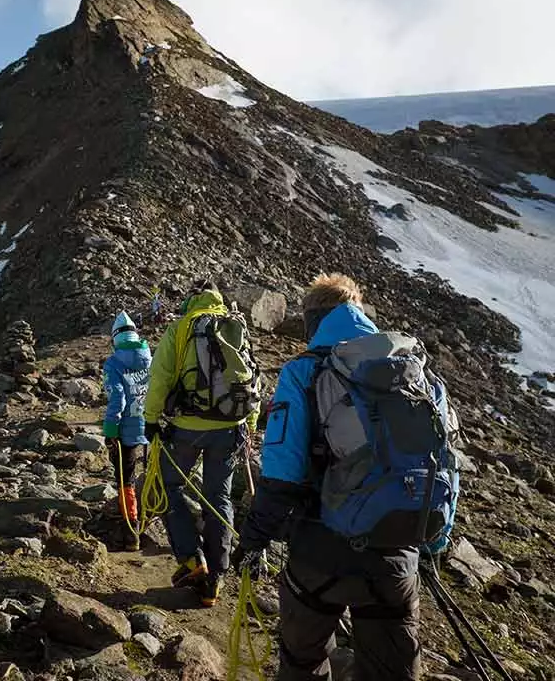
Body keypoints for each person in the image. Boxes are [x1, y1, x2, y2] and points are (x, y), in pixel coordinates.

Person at [233, 273, 459, 681]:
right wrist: (432, 543)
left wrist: (253, 540)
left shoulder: (304, 373)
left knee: (304, 661)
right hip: (396, 549)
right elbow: (444, 461)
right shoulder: (414, 372)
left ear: (313, 320)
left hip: (320, 550)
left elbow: (282, 473)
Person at [143, 281, 260, 606]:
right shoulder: (236, 326)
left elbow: (161, 377)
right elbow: (252, 377)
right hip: (230, 426)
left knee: (167, 486)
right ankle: (216, 578)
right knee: (218, 497)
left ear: (191, 301)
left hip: (186, 425)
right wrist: (249, 424)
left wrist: (151, 420)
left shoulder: (182, 327)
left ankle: (192, 559)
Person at [102, 311, 152, 552]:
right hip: (151, 426)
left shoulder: (113, 363)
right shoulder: (149, 359)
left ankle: (131, 532)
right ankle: (152, 519)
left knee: (126, 481)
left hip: (125, 432)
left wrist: (110, 429)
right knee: (155, 476)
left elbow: (118, 398)